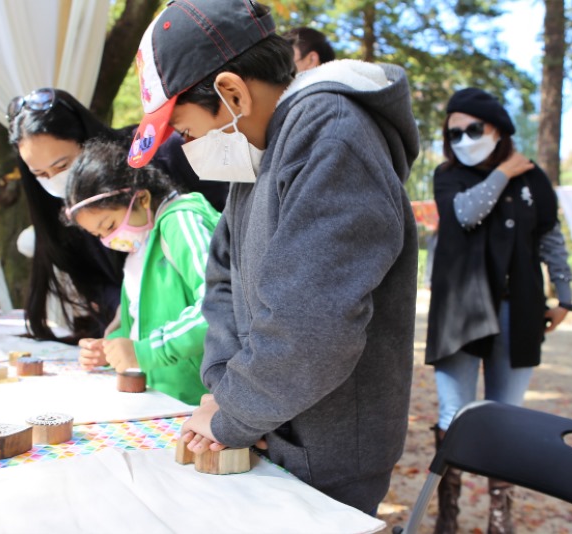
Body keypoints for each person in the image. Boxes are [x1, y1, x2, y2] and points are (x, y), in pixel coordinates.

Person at [127, 0, 420, 515]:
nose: (188, 144)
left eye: (186, 130)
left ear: (233, 92)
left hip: (327, 449)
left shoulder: (331, 134)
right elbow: (220, 281)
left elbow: (315, 326)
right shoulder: (256, 154)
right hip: (268, 424)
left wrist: (234, 411)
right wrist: (226, 389)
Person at [425, 88, 572, 534]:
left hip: (519, 309)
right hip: (461, 310)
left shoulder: (535, 180)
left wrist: (563, 296)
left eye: (473, 128)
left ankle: (499, 521)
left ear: (497, 128)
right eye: (454, 132)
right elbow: (467, 215)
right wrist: (503, 173)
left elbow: (550, 237)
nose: (463, 139)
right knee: (455, 413)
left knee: (506, 416)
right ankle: (446, 517)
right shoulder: (448, 175)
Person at [8, 88, 227, 343]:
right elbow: (95, 281)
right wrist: (124, 316)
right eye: (41, 174)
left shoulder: (165, 167)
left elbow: (216, 291)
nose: (55, 181)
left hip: (196, 333)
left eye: (62, 166)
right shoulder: (53, 206)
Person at [64, 140, 219, 405]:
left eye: (109, 225)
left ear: (142, 198)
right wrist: (112, 348)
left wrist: (144, 352)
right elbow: (138, 321)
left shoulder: (181, 222)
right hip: (165, 401)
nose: (108, 239)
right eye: (99, 234)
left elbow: (217, 307)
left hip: (202, 403)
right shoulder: (142, 243)